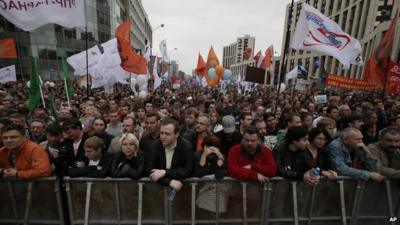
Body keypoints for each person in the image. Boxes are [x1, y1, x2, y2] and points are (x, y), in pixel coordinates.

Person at [147, 118, 193, 192]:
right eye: (161, 133)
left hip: (182, 189)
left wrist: (164, 172)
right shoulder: (155, 146)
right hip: (159, 190)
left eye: (167, 134)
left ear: (177, 134)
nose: (163, 137)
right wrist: (169, 182)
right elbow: (150, 171)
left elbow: (187, 170)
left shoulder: (186, 147)